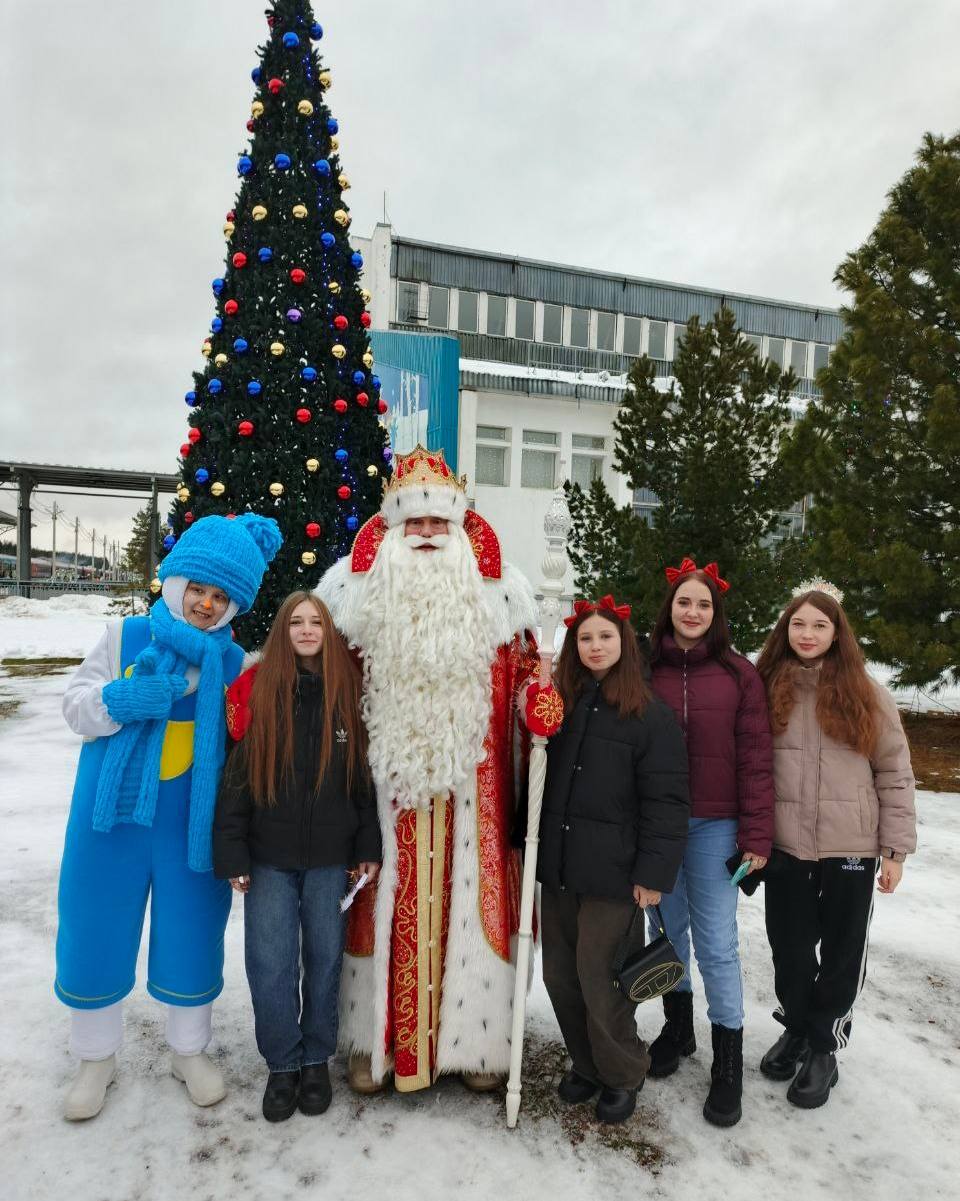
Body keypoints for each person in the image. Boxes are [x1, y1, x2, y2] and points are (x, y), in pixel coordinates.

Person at [314, 444, 541, 1094]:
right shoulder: (351, 603)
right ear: (390, 527)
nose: (424, 534)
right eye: (412, 523)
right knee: (371, 909)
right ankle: (370, 1041)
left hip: (476, 793)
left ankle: (472, 1046)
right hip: (379, 795)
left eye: (438, 523)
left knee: (473, 907)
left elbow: (528, 679)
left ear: (459, 526)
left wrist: (538, 700)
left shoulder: (502, 602)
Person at [55, 513, 282, 1121]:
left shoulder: (234, 666)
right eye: (198, 590)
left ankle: (190, 1050)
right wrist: (119, 700)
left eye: (220, 596)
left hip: (191, 821)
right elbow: (74, 707)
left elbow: (249, 747)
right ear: (175, 581)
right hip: (111, 819)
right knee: (96, 922)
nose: (206, 604)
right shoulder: (125, 637)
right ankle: (96, 1057)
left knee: (191, 928)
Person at [213, 592, 382, 1121]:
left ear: (327, 632)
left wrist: (366, 846)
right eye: (296, 622)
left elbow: (361, 780)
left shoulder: (345, 692)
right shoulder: (260, 691)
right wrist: (233, 851)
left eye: (316, 622)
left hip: (330, 857)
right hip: (269, 856)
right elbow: (237, 777)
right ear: (283, 632)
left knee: (326, 960)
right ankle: (282, 1063)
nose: (307, 630)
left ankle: (316, 1059)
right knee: (270, 961)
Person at [755, 580, 916, 1109]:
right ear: (786, 629)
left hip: (851, 849)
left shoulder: (867, 694)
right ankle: (798, 1028)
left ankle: (825, 1046)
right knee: (791, 950)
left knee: (842, 953)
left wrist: (894, 851)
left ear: (837, 631)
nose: (807, 634)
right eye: (798, 624)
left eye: (819, 625)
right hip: (785, 848)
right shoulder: (765, 686)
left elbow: (895, 773)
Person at [537, 595, 690, 1124]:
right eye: (585, 638)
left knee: (602, 979)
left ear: (623, 645)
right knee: (559, 974)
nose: (595, 646)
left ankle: (622, 1071)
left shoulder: (649, 715)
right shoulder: (563, 706)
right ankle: (587, 1064)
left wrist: (653, 874)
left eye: (605, 637)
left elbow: (667, 803)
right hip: (559, 867)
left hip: (614, 873)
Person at [644, 556, 774, 1127]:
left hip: (716, 825)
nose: (692, 612)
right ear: (669, 608)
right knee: (667, 933)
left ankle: (727, 1062)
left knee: (717, 942)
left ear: (715, 613)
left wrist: (756, 835)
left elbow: (756, 761)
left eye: (703, 604)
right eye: (683, 602)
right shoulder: (645, 670)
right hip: (658, 826)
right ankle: (678, 1028)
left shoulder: (740, 674)